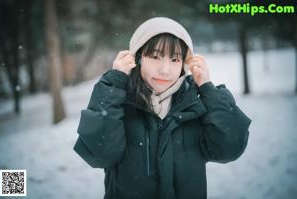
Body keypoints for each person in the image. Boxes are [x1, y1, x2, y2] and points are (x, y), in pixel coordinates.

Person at [73, 17, 251, 199]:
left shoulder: (195, 106)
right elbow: (99, 154)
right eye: (155, 56)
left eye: (175, 59)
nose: (165, 70)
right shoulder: (118, 103)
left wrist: (207, 88)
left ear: (184, 65)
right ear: (137, 58)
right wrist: (113, 84)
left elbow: (230, 148)